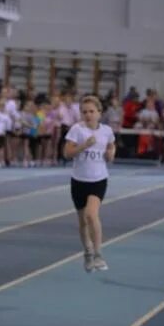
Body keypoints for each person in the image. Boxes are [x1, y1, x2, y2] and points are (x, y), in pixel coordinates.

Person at [64, 96, 115, 272]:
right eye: (84, 112)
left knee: (91, 215)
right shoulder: (77, 130)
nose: (88, 115)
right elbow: (68, 153)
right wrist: (84, 146)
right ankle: (87, 252)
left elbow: (110, 147)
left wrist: (110, 154)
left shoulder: (107, 131)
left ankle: (98, 254)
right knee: (82, 221)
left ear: (99, 113)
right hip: (79, 181)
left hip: (98, 180)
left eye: (91, 111)